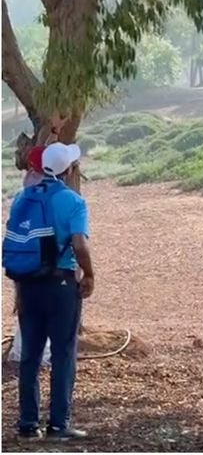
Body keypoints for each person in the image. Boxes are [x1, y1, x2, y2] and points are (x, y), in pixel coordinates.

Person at [5, 142, 93, 441]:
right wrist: (90, 275)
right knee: (63, 352)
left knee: (30, 355)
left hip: (28, 284)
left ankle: (27, 425)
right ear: (68, 169)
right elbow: (79, 244)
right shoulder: (72, 201)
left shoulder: (21, 198)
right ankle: (58, 425)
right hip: (61, 285)